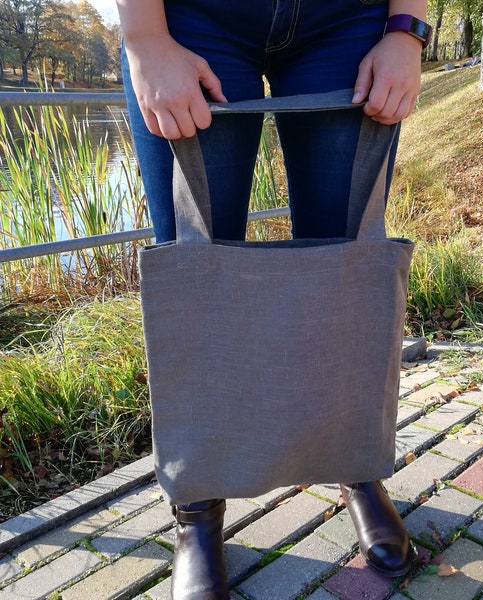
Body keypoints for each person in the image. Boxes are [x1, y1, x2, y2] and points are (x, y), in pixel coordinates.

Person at [116, 1, 430, 598]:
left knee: (348, 268)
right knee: (194, 275)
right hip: (191, 15)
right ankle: (198, 508)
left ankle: (355, 463)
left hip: (350, 19)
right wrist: (144, 36)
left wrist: (407, 29)